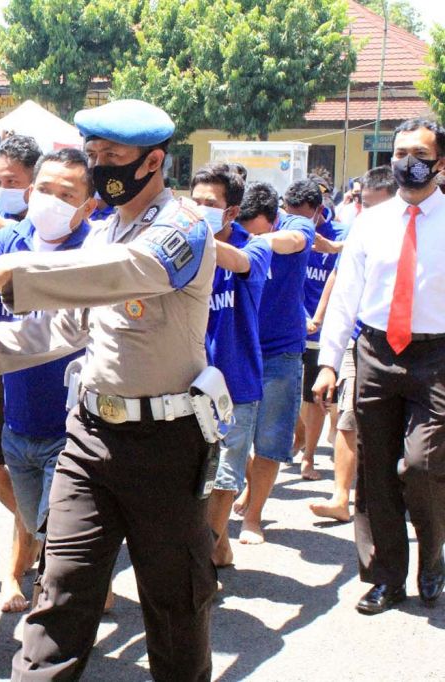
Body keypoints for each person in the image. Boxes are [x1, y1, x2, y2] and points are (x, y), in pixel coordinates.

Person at [0, 99, 218, 681]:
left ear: (154, 160)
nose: (102, 165)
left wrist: (14, 271)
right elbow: (61, 329)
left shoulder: (183, 227)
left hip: (165, 443)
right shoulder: (105, 230)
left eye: (114, 156)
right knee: (59, 595)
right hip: (87, 436)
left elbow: (128, 270)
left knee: (174, 605)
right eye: (95, 155)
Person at [314, 118, 445, 615]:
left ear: (440, 162)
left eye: (420, 154)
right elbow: (346, 296)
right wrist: (329, 363)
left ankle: (431, 556)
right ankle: (386, 576)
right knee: (375, 470)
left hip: (437, 356)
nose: (407, 162)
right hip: (375, 352)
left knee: (422, 465)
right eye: (400, 152)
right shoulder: (370, 221)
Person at [0, 149, 94, 612]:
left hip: (73, 425)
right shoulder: (11, 237)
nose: (52, 202)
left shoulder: (97, 251)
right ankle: (61, 587)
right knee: (36, 521)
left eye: (67, 195)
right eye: (45, 190)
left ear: (88, 206)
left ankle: (59, 617)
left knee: (60, 530)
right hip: (18, 421)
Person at [191, 164, 273, 568]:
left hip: (237, 383)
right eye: (196, 202)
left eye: (211, 204)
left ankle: (203, 561)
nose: (200, 209)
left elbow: (238, 262)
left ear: (231, 211)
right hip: (187, 382)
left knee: (225, 478)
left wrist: (186, 230)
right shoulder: (182, 246)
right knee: (192, 478)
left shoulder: (255, 247)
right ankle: (218, 547)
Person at [309, 166, 397, 522]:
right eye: (363, 203)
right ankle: (340, 496)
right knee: (347, 415)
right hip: (361, 340)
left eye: (375, 205)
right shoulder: (363, 229)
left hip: (419, 347)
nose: (367, 212)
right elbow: (341, 285)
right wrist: (328, 361)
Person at [234, 180, 316, 545]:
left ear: (272, 219)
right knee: (230, 439)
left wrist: (258, 245)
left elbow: (294, 242)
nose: (247, 236)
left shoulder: (296, 227)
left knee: (268, 441)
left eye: (255, 230)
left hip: (281, 353)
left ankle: (254, 518)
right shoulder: (235, 231)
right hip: (238, 350)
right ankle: (250, 489)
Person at [298, 189, 349, 480]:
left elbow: (336, 277)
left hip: (322, 330)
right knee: (292, 396)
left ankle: (308, 457)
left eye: (305, 215)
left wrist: (317, 317)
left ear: (318, 210)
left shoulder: (341, 233)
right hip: (292, 327)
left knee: (314, 396)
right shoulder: (286, 230)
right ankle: (300, 437)